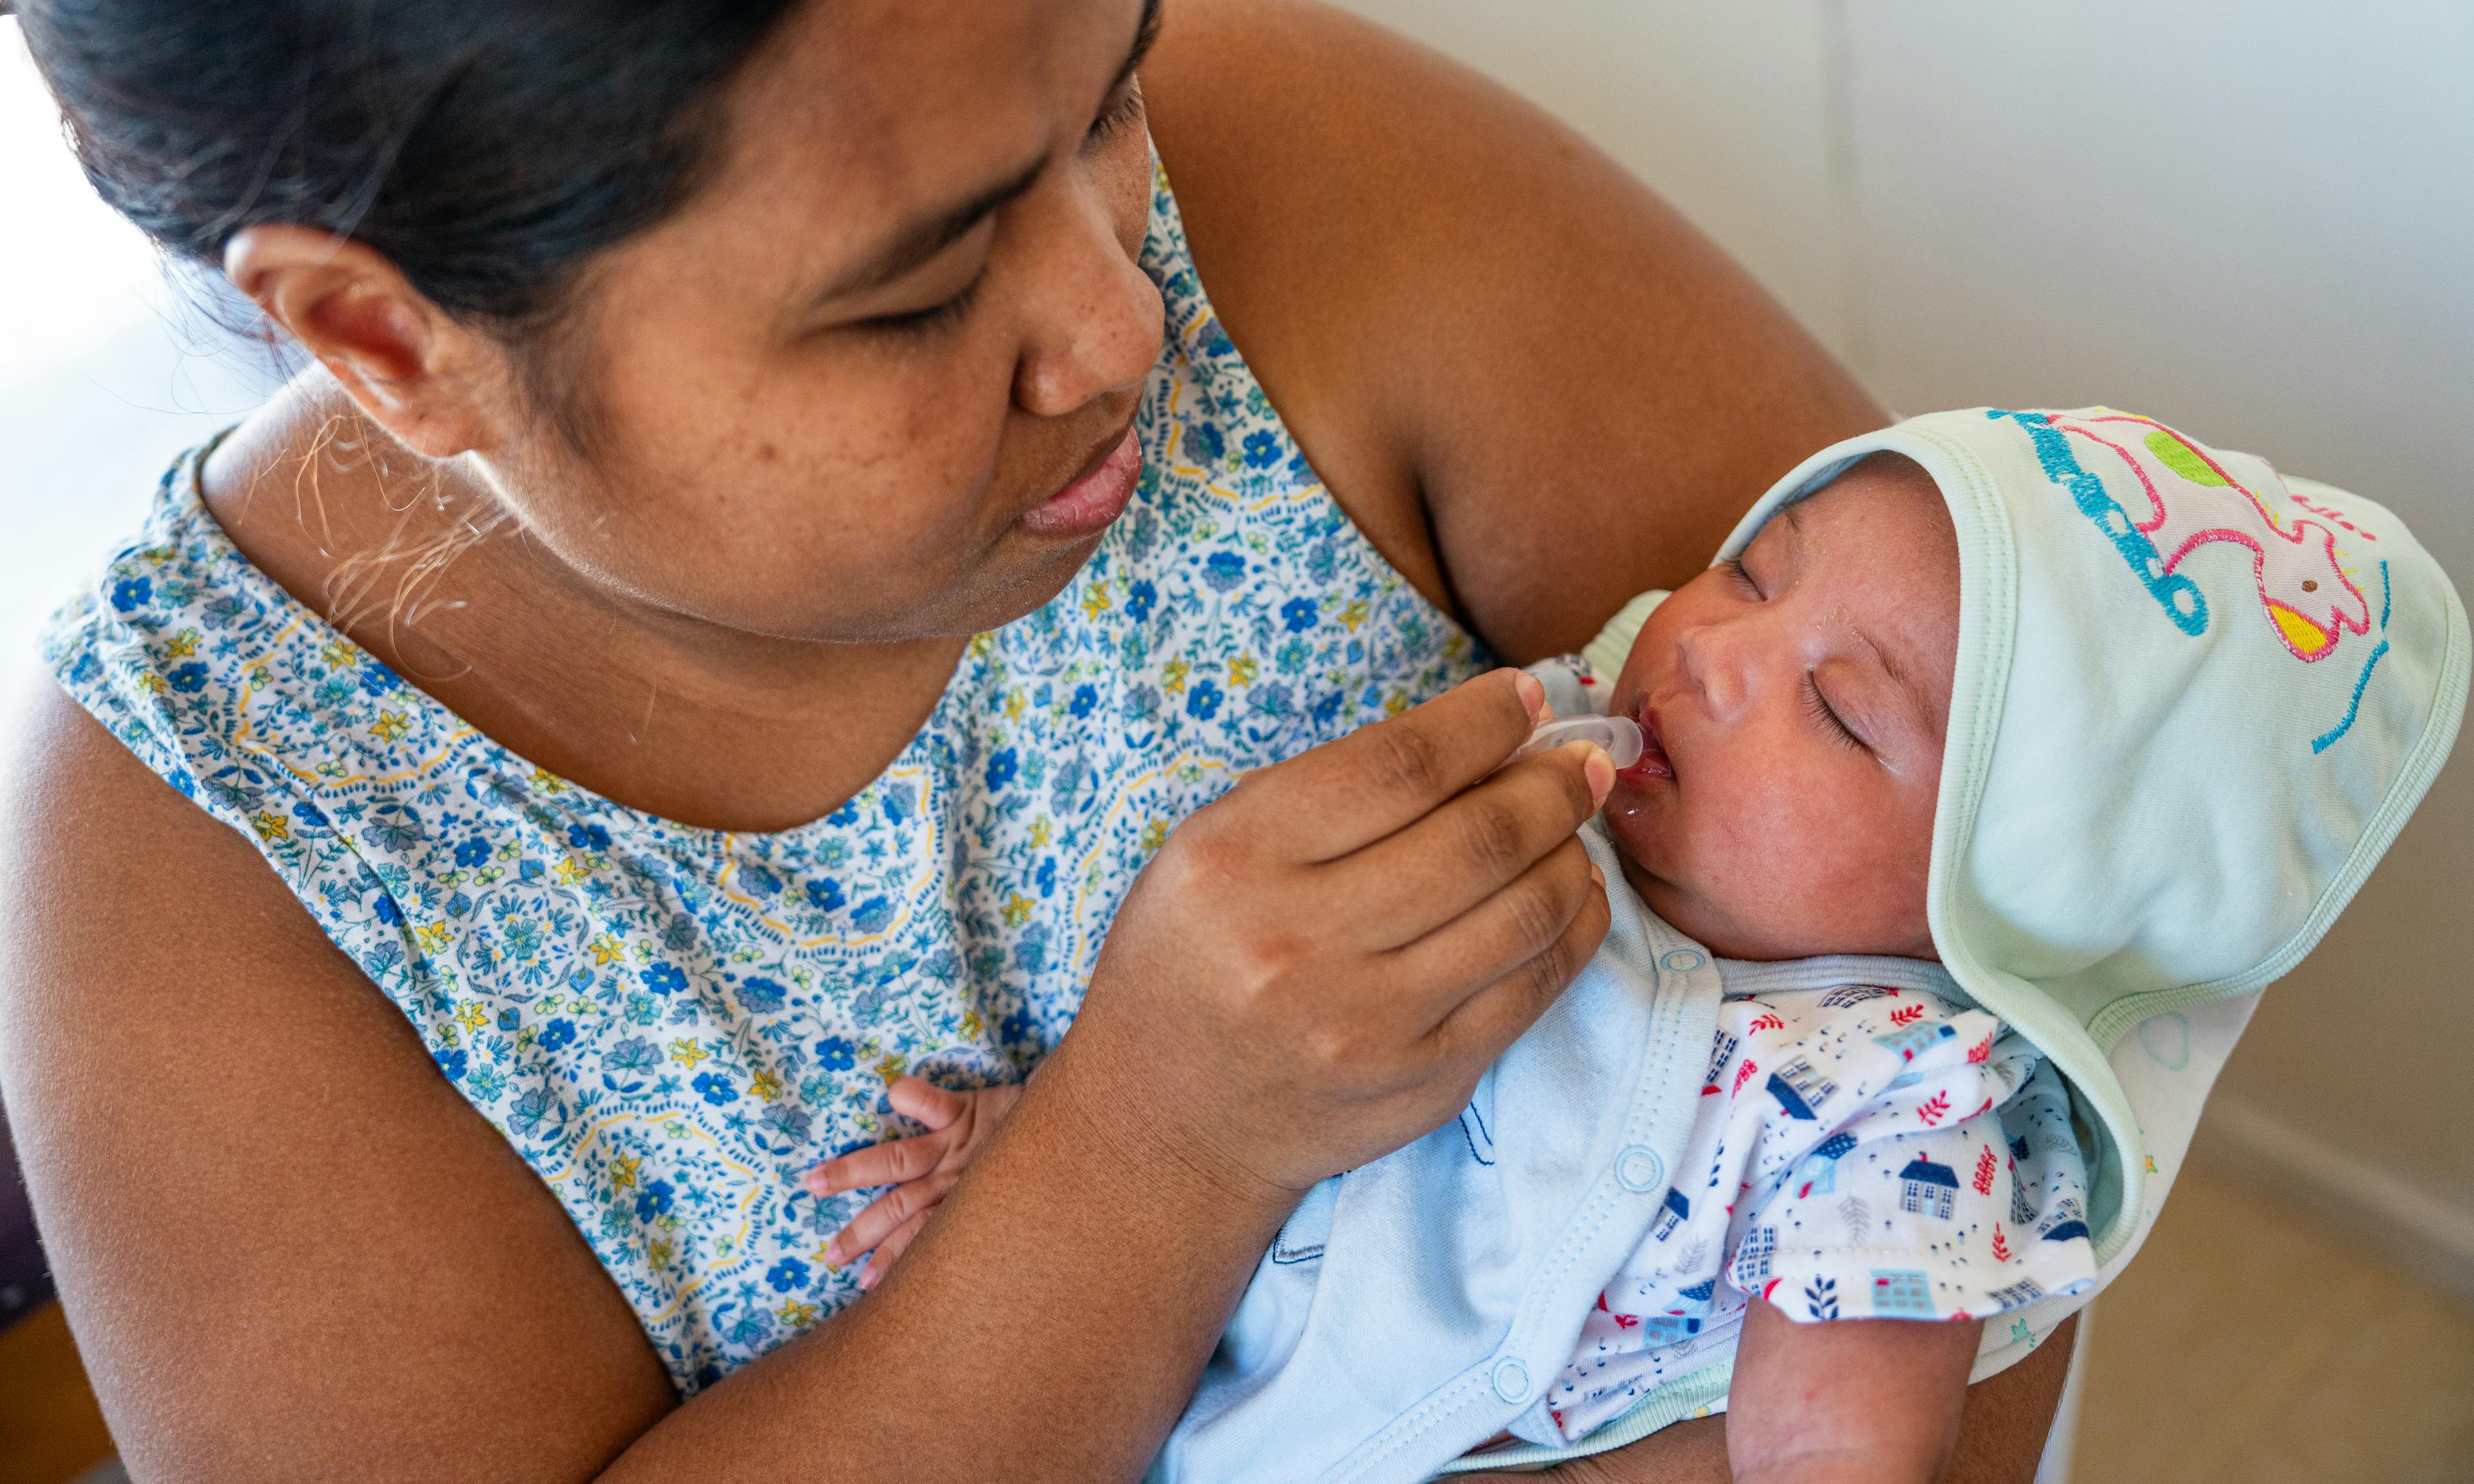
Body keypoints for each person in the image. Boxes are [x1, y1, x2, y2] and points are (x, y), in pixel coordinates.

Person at [0, 1, 2094, 1478]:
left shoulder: (1309, 171)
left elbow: (2052, 898)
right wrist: (1154, 1143)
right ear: (385, 339)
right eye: (914, 295)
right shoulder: (204, 859)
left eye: (1110, 94)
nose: (1121, 318)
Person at [832, 412, 2466, 1482]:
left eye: (1840, 710)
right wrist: (1040, 1156)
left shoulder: (1895, 1104)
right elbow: (1244, 1046)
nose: (1717, 653)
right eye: (1753, 568)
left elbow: (1838, 1439)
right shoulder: (1540, 782)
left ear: (1990, 908)